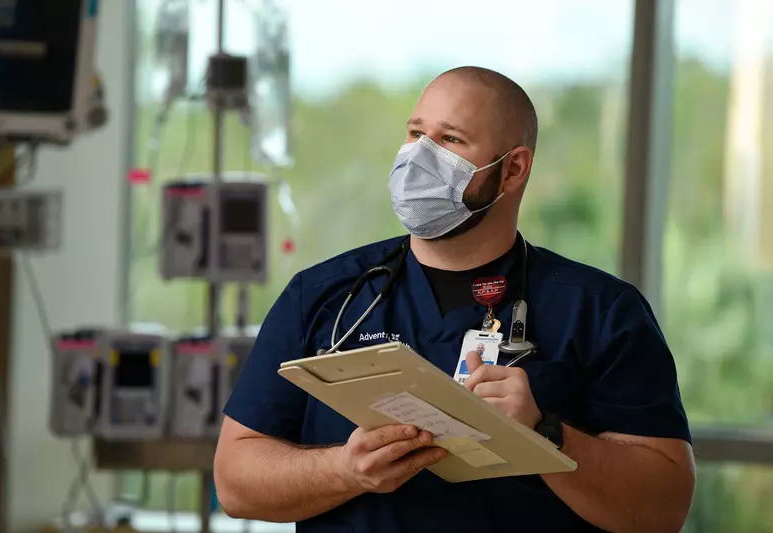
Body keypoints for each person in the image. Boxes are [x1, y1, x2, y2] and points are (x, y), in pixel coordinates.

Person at [214, 66, 695, 533]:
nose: (418, 157)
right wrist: (345, 469)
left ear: (513, 169)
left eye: (450, 141)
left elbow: (662, 508)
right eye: (415, 133)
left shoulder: (600, 313)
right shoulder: (323, 296)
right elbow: (235, 481)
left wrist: (546, 432)